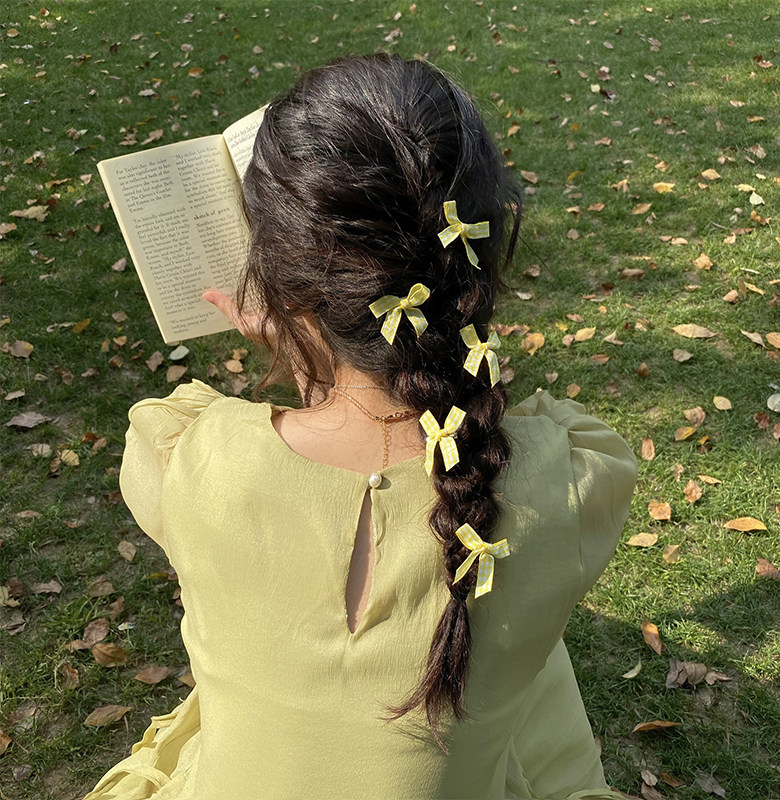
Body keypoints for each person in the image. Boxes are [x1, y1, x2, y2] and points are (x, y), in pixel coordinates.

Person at [83, 54, 637, 800]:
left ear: (281, 279)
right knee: (526, 638)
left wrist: (309, 358)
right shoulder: (568, 481)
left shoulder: (192, 460)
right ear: (478, 249)